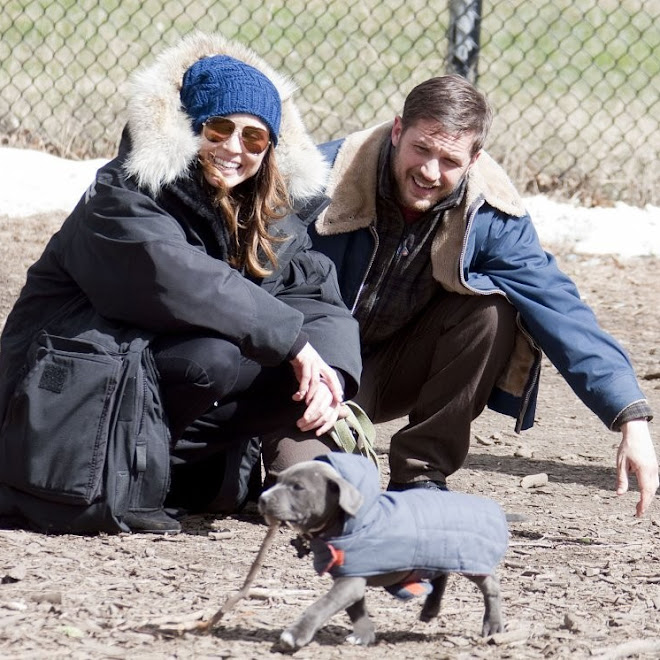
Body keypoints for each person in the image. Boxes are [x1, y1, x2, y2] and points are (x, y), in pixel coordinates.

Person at [0, 32, 361, 533]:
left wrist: (331, 374)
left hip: (144, 396)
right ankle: (131, 468)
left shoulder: (265, 213)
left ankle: (167, 471)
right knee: (214, 359)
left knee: (290, 381)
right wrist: (294, 343)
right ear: (190, 128)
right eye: (219, 128)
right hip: (66, 399)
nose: (234, 148)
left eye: (254, 137)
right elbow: (174, 277)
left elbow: (315, 295)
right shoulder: (121, 195)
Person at [264, 74, 657, 517]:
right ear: (397, 131)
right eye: (421, 149)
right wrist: (296, 365)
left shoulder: (490, 212)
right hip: (304, 369)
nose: (430, 172)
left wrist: (631, 417)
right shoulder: (318, 181)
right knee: (303, 490)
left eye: (449, 159)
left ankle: (421, 475)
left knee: (491, 310)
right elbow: (251, 284)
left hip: (389, 369)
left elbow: (560, 309)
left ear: (475, 158)